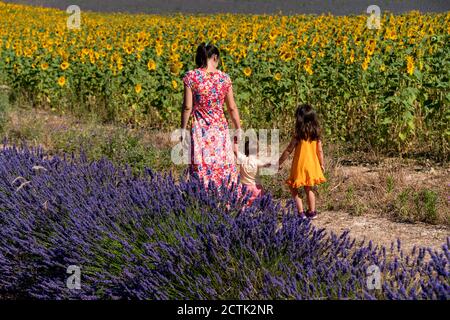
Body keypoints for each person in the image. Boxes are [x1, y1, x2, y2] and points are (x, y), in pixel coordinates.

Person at [181, 43, 241, 189]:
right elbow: (232, 107)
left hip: (200, 129)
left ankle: (202, 197)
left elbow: (187, 107)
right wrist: (238, 128)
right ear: (215, 57)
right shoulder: (224, 78)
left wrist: (182, 129)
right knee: (222, 163)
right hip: (219, 128)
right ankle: (226, 197)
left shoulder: (191, 76)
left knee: (201, 163)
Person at [278, 104, 326, 219]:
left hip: (299, 165)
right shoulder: (316, 135)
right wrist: (321, 164)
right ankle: (312, 212)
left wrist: (279, 162)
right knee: (309, 188)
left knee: (293, 187)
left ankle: (300, 212)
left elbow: (289, 150)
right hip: (312, 165)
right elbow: (320, 150)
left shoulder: (298, 135)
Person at [233, 137, 271, 206]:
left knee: (244, 205)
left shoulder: (242, 159)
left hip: (244, 188)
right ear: (257, 151)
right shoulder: (257, 161)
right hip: (256, 188)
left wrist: (235, 140)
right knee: (258, 206)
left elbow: (235, 150)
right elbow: (266, 164)